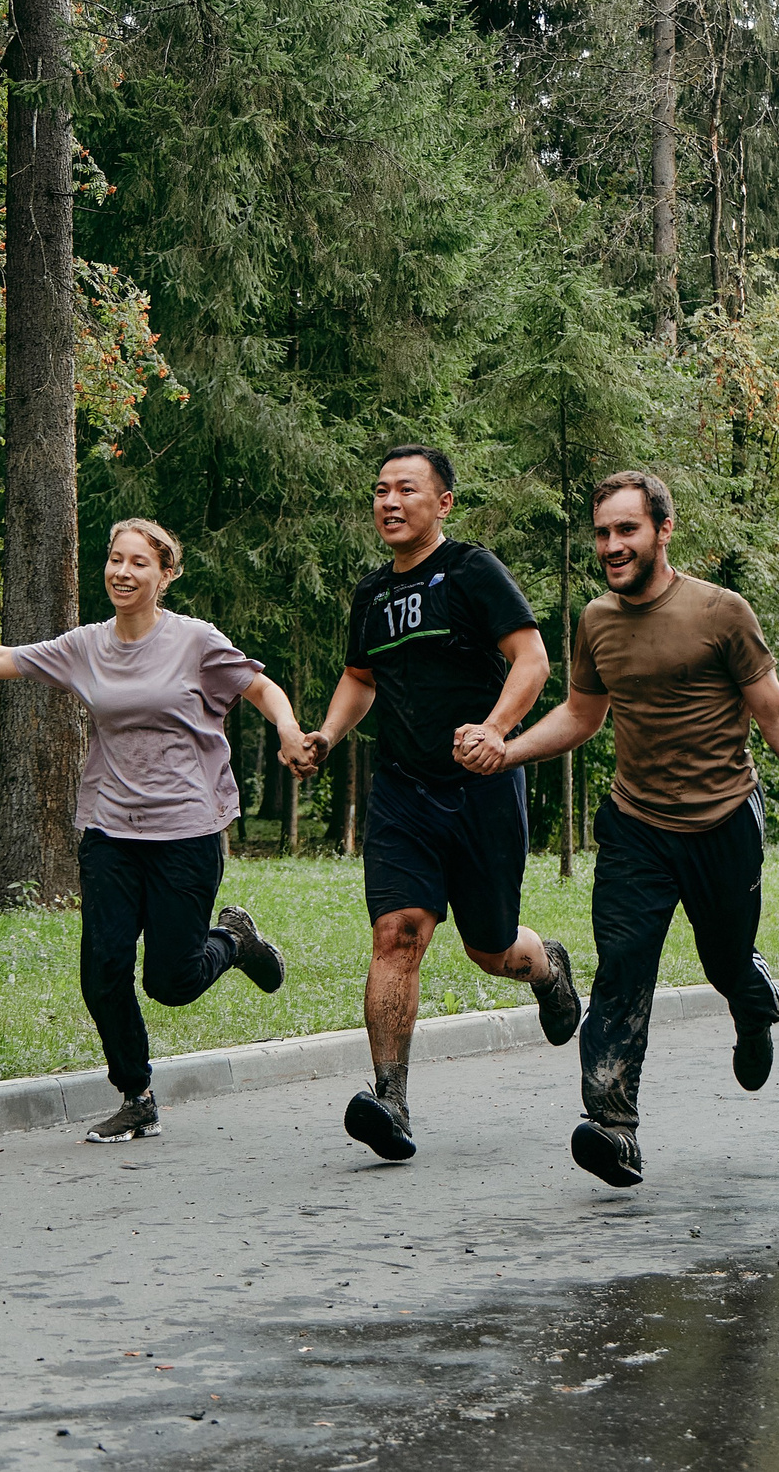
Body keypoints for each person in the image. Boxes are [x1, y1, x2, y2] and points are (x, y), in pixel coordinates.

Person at [466, 470, 779, 1188]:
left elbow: (775, 714)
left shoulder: (720, 612)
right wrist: (510, 748)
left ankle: (754, 1004)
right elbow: (584, 715)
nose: (612, 545)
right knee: (621, 972)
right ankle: (613, 1127)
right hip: (635, 826)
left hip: (722, 823)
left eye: (627, 529)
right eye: (602, 532)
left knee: (724, 961)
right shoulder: (597, 622)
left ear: (662, 531)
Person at [0, 518, 312, 1144]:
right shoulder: (86, 645)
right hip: (109, 829)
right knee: (102, 969)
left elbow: (259, 686)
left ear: (165, 575)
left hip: (186, 830)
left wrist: (290, 733)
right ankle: (138, 1096)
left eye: (139, 563)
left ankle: (233, 942)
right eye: (114, 560)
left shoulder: (194, 642)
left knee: (170, 981)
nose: (122, 572)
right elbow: (1, 658)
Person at [299, 446, 583, 1163]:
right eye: (379, 491)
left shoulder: (471, 571)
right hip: (403, 791)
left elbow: (533, 659)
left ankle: (546, 965)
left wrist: (496, 730)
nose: (389, 502)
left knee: (490, 947)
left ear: (444, 503)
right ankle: (389, 1099)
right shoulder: (369, 595)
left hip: (483, 789)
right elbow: (359, 678)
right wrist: (328, 734)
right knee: (398, 933)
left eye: (406, 490)